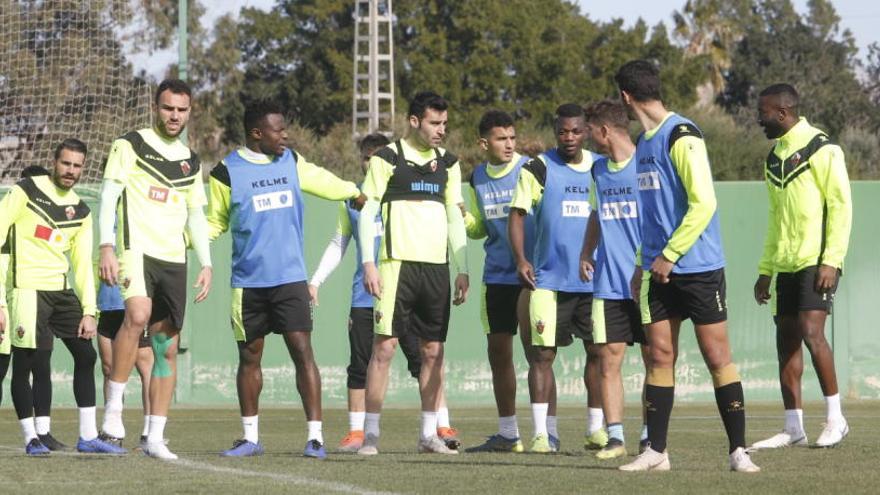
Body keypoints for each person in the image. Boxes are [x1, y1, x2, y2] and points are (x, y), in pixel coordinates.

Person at [614, 60, 759, 472]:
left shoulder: (683, 134)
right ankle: (656, 452)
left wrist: (671, 254)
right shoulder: (643, 143)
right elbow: (650, 214)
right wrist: (644, 263)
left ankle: (738, 451)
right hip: (658, 270)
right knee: (659, 357)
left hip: (697, 268)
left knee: (717, 356)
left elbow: (704, 203)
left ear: (626, 96)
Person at [207, 102, 365, 459]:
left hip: (290, 279)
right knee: (249, 358)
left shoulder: (290, 161)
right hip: (247, 284)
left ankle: (315, 438)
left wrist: (352, 191)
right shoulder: (225, 172)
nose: (286, 135)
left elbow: (323, 180)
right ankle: (250, 438)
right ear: (256, 133)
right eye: (278, 130)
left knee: (303, 354)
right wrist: (187, 243)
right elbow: (215, 221)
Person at [309, 133, 459, 453]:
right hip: (365, 298)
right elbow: (339, 244)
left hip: (405, 288)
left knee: (426, 358)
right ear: (363, 162)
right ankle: (358, 433)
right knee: (362, 364)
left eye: (378, 156)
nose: (372, 162)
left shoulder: (405, 193)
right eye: (367, 158)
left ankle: (439, 425)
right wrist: (316, 281)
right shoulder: (353, 201)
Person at [98, 79, 213, 460]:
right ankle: (114, 413)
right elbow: (109, 195)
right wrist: (106, 246)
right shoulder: (130, 144)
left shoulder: (191, 162)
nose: (174, 115)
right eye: (168, 108)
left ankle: (155, 437)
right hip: (137, 250)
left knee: (167, 347)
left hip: (174, 258)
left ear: (189, 111)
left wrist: (207, 262)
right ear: (155, 107)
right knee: (137, 313)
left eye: (181, 109)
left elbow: (196, 214)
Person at [356, 91, 469, 455]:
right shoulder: (387, 159)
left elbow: (454, 217)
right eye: (434, 123)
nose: (441, 130)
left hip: (436, 270)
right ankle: (369, 435)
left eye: (444, 124)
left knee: (433, 351)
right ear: (415, 121)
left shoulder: (449, 164)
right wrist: (368, 263)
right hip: (396, 267)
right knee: (384, 348)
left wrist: (462, 268)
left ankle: (427, 434)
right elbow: (368, 211)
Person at [0, 139, 124, 455]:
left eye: (77, 166)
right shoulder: (26, 190)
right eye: (66, 163)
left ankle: (87, 436)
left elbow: (83, 265)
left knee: (86, 356)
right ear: (55, 161)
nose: (71, 171)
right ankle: (31, 438)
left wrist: (89, 311)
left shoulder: (81, 211)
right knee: (26, 363)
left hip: (61, 291)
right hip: (26, 289)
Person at [750, 83, 852, 450]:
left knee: (812, 332)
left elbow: (841, 206)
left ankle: (836, 419)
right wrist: (766, 270)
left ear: (782, 112)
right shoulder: (773, 158)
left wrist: (831, 259)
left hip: (817, 261)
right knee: (786, 341)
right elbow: (776, 219)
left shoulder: (822, 148)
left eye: (763, 112)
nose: (758, 119)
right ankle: (793, 427)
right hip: (786, 264)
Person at [508, 103, 602, 454]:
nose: (569, 138)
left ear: (587, 131)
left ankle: (596, 430)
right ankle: (541, 433)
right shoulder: (538, 167)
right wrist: (521, 260)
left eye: (576, 131)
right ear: (555, 131)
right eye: (563, 131)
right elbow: (517, 215)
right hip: (547, 280)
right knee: (542, 356)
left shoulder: (599, 167)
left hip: (593, 283)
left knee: (597, 353)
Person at [579, 100, 651, 459]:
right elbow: (596, 213)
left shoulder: (647, 166)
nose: (586, 138)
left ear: (604, 131)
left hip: (649, 282)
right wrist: (585, 251)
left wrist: (648, 266)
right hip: (608, 282)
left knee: (656, 360)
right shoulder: (598, 171)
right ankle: (616, 438)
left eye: (589, 131)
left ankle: (651, 435)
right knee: (609, 358)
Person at [461, 110, 532, 453]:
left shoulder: (530, 169)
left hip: (530, 276)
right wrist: (462, 216)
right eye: (501, 138)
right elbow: (479, 231)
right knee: (499, 354)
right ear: (483, 143)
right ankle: (508, 434)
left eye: (512, 138)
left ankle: (546, 432)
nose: (508, 144)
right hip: (496, 278)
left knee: (537, 354)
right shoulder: (476, 177)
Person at [96, 279, 155, 449]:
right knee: (109, 368)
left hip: (133, 307)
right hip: (106, 309)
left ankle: (150, 433)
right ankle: (112, 432)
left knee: (146, 369)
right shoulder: (102, 251)